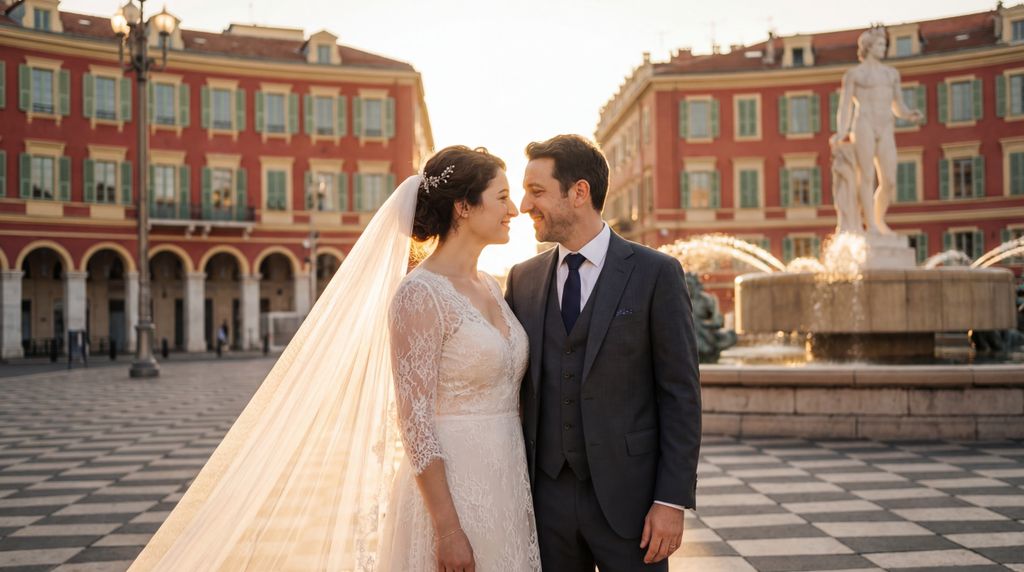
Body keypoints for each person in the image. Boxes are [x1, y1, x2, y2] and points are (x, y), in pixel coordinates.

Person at [128, 146, 539, 571]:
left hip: (507, 480)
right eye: (502, 196)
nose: (514, 209)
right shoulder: (421, 294)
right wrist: (448, 528)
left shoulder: (492, 287)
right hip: (454, 490)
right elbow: (414, 423)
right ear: (463, 207)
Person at [505, 134, 702, 571]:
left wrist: (670, 500)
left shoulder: (656, 273)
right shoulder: (523, 280)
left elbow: (680, 396)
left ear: (579, 192)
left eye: (536, 191)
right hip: (546, 503)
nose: (523, 205)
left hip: (631, 505)